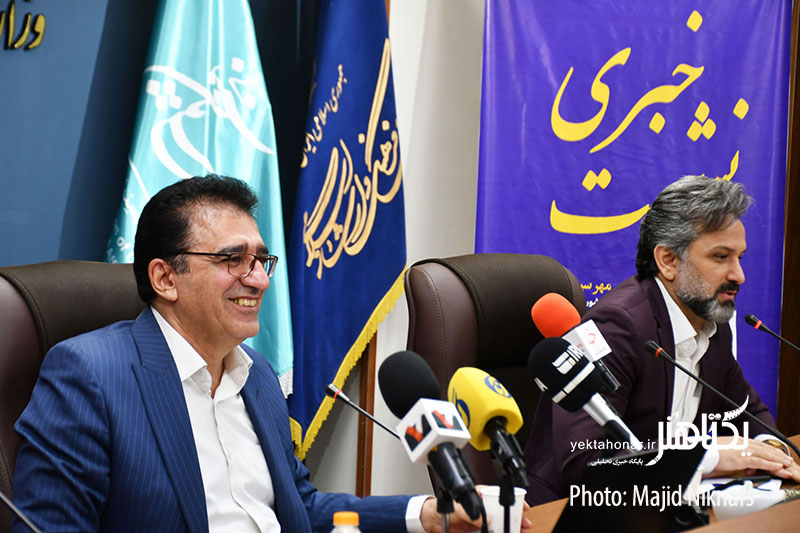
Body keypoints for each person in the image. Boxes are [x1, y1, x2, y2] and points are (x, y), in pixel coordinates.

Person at [12, 175, 500, 532]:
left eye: (261, 260)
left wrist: (426, 514)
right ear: (165, 278)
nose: (261, 280)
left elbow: (298, 508)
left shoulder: (257, 374)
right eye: (232, 260)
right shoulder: (90, 375)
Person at [525, 175, 800, 505]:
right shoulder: (616, 327)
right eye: (720, 257)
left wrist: (773, 453)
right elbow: (587, 464)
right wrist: (706, 455)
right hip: (566, 511)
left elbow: (747, 411)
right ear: (668, 261)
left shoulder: (711, 321)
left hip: (660, 506)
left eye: (740, 257)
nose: (738, 275)